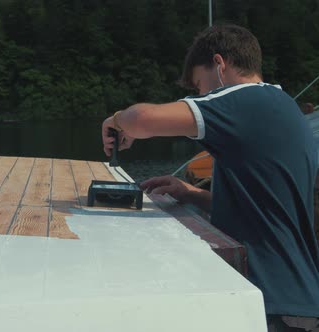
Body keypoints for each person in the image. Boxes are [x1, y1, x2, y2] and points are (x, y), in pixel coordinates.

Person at [101, 24, 319, 331]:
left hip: (270, 302)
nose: (202, 95)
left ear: (220, 65)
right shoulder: (284, 106)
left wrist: (115, 119)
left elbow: (141, 120)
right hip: (297, 297)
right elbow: (268, 208)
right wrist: (192, 193)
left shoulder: (243, 100)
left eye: (200, 86)